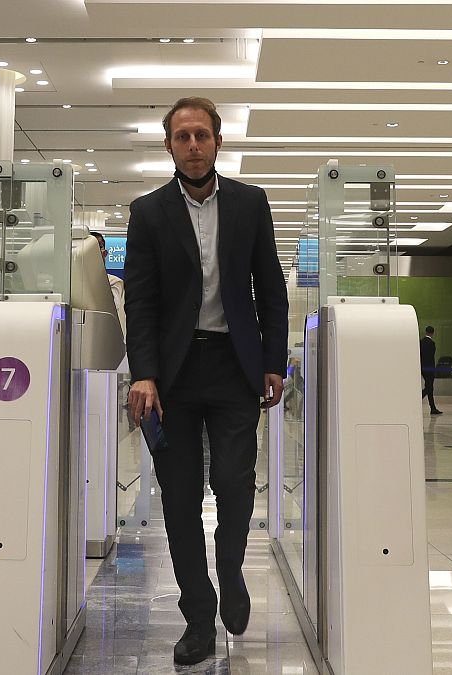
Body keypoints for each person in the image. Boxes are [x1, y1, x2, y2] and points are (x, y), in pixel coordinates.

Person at [124, 97, 288, 665]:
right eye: (182, 137)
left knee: (236, 486)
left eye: (202, 136)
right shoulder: (147, 213)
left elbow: (270, 287)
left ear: (218, 142)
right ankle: (198, 613)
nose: (193, 146)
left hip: (234, 366)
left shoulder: (250, 203)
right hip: (171, 376)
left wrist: (274, 361)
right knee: (180, 499)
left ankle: (233, 574)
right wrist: (143, 372)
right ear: (168, 145)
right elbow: (140, 302)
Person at [91, 231, 126, 333]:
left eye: (100, 247)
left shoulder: (113, 282)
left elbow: (111, 309)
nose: (100, 252)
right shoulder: (70, 281)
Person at [423, 325, 443, 415]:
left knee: (429, 388)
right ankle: (418, 398)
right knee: (429, 387)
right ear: (433, 333)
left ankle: (433, 408)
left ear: (426, 332)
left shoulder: (421, 342)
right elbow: (431, 357)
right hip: (429, 369)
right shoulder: (431, 343)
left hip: (423, 368)